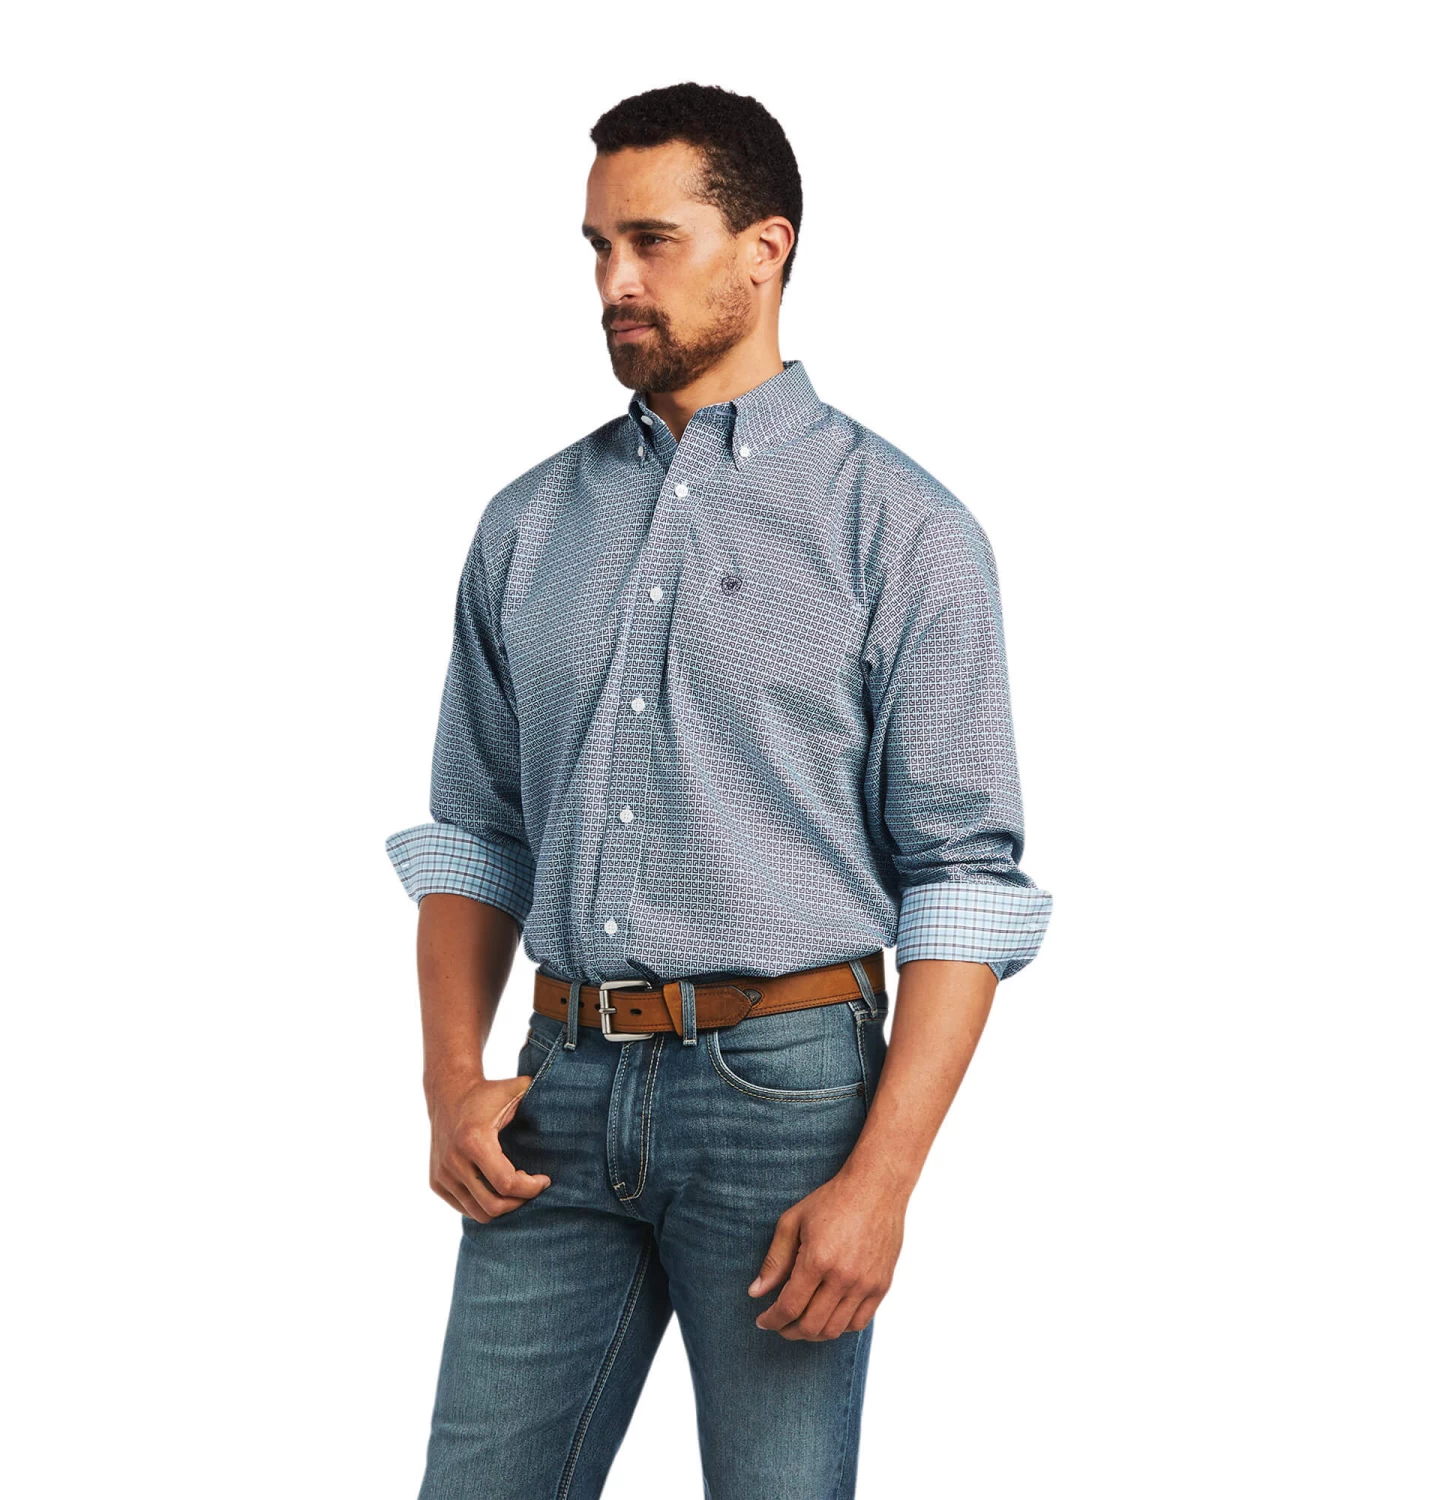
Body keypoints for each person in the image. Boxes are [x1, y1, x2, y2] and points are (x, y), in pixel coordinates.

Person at [385, 81, 1052, 1500]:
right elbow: (476, 835)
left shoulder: (903, 531)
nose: (615, 283)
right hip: (554, 1097)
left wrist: (881, 1184)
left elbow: (962, 883)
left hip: (787, 1097)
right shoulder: (527, 524)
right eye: (597, 247)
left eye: (653, 241)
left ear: (766, 249)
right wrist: (450, 1084)